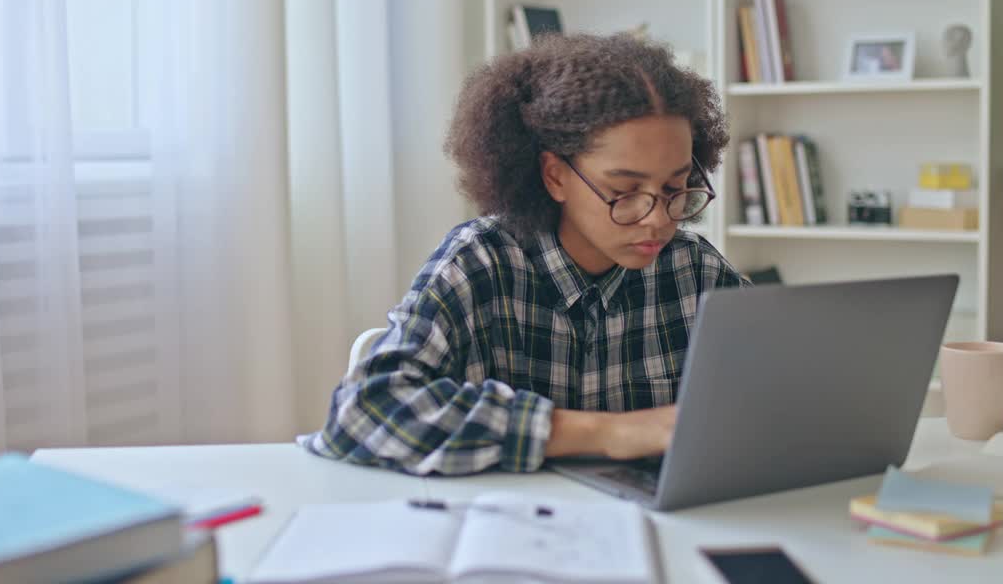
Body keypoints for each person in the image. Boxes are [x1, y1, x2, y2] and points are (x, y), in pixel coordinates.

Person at [304, 33, 749, 475]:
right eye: (624, 191)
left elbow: (780, 393)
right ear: (555, 176)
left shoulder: (696, 271)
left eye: (674, 188)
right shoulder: (480, 262)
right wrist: (610, 433)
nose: (656, 219)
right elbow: (364, 411)